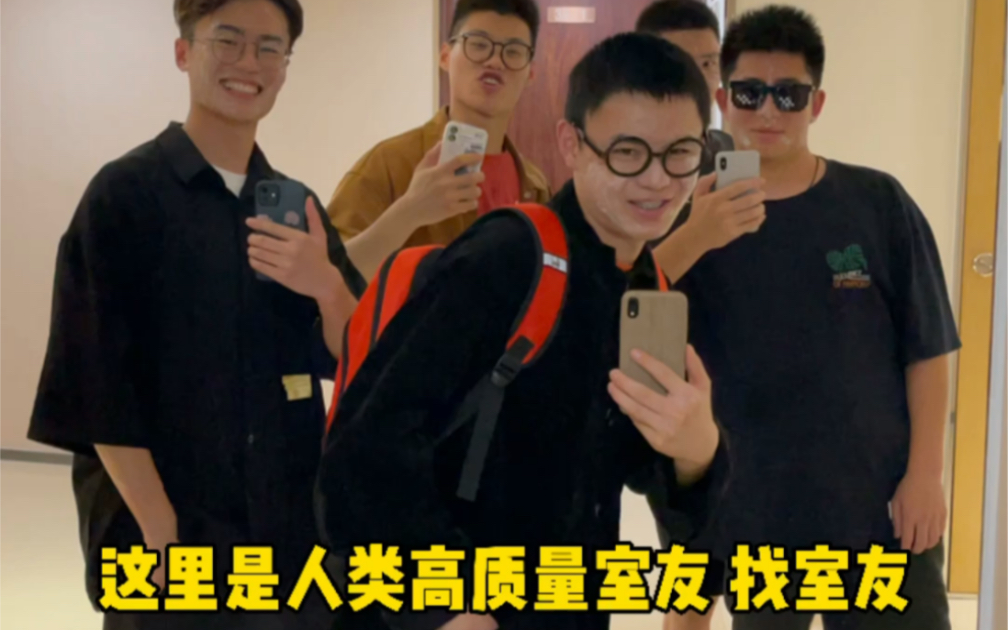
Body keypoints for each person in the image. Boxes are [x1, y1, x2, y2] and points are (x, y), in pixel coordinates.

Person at [315, 33, 728, 630]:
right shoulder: (508, 256)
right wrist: (447, 608)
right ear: (572, 144)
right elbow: (362, 455)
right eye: (628, 153)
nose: (659, 180)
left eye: (680, 154)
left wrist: (699, 452)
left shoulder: (646, 287)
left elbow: (637, 471)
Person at [27, 1, 362, 628]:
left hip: (285, 529)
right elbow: (95, 380)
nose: (248, 62)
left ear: (285, 67)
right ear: (184, 52)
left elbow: (356, 353)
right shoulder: (124, 196)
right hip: (166, 527)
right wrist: (160, 529)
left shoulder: (297, 208)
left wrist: (326, 284)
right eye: (227, 41)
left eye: (269, 47)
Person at [654, 6, 960, 630]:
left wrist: (926, 475)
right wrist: (693, 236)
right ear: (723, 100)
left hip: (878, 506)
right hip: (755, 509)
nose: (768, 111)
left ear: (816, 105)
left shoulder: (877, 203)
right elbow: (635, 319)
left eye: (789, 95)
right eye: (750, 93)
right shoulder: (692, 219)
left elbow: (927, 348)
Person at [328, 0, 551, 281]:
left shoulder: (536, 186)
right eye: (479, 44)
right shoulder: (388, 164)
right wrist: (410, 212)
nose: (495, 62)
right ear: (445, 56)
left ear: (530, 73)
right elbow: (327, 277)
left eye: (514, 51)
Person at [635, 0, 766, 251]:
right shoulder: (620, 162)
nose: (699, 80)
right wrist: (696, 237)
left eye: (708, 64)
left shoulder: (728, 150)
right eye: (679, 65)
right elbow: (607, 277)